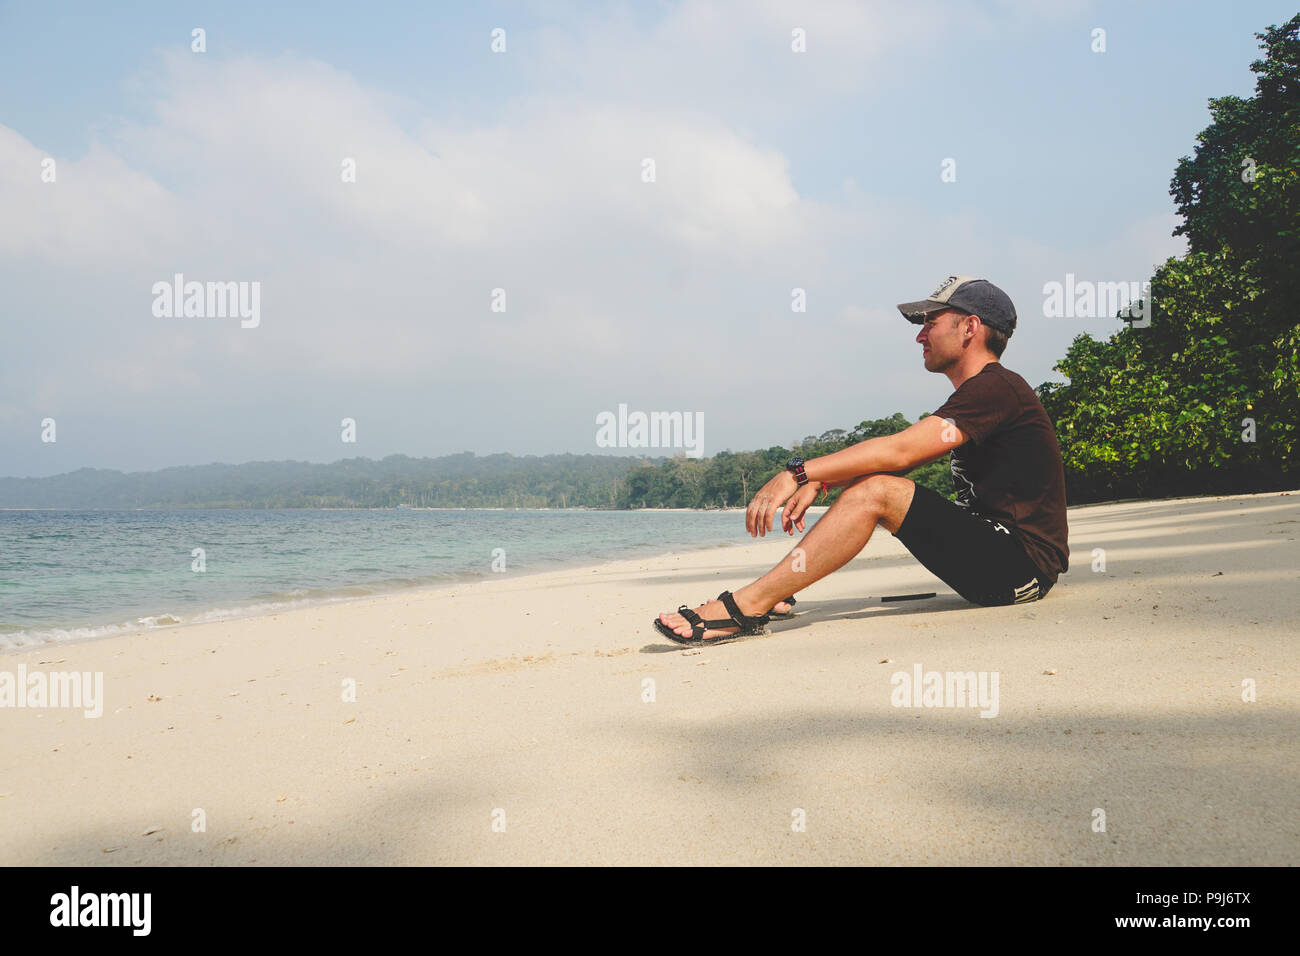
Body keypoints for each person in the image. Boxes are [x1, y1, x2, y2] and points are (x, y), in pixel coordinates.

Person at [654, 275, 1070, 645]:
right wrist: (826, 481)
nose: (920, 335)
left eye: (931, 321)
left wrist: (797, 472)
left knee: (876, 492)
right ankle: (772, 592)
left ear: (970, 327)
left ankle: (747, 606)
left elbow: (899, 450)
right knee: (872, 485)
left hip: (1020, 567)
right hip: (997, 556)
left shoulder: (996, 388)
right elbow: (899, 462)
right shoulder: (985, 392)